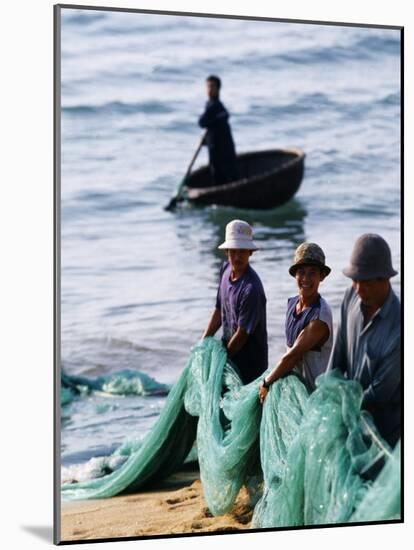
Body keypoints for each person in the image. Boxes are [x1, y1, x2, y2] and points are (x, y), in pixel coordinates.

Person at [327, 233, 401, 447]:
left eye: (365, 282)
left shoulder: (399, 329)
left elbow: (379, 395)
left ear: (385, 279)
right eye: (355, 280)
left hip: (383, 435)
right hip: (349, 416)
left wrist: (345, 409)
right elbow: (337, 356)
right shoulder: (351, 296)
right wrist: (331, 394)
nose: (358, 288)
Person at [259, 243, 333, 403]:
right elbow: (289, 351)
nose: (305, 279)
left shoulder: (320, 316)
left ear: (322, 276)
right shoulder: (292, 303)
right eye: (301, 272)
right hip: (295, 389)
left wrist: (266, 382)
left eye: (312, 273)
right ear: (295, 275)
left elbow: (292, 357)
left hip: (315, 395)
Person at [203, 219, 268, 385]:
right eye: (233, 251)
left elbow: (242, 334)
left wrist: (221, 362)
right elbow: (219, 310)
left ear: (250, 252)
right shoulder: (225, 270)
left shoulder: (251, 289)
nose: (237, 257)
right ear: (226, 251)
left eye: (242, 251)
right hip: (231, 358)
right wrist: (204, 340)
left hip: (250, 367)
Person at [198, 75, 239, 186]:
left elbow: (202, 122)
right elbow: (206, 123)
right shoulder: (213, 106)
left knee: (226, 171)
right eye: (208, 87)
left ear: (218, 89)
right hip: (215, 146)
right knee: (219, 173)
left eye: (212, 87)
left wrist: (212, 123)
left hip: (222, 146)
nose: (209, 90)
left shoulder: (215, 106)